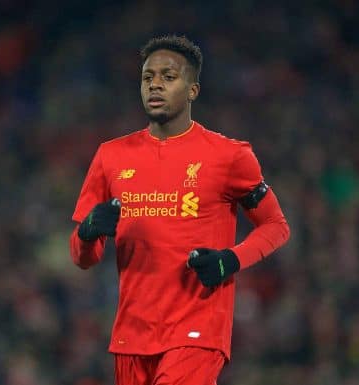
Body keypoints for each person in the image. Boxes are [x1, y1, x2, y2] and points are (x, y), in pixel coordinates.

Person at [70, 35, 290, 385]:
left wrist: (229, 261)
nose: (155, 84)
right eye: (147, 77)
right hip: (132, 334)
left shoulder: (229, 156)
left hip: (197, 330)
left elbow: (276, 225)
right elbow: (84, 257)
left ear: (193, 90)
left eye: (168, 77)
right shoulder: (110, 156)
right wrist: (87, 232)